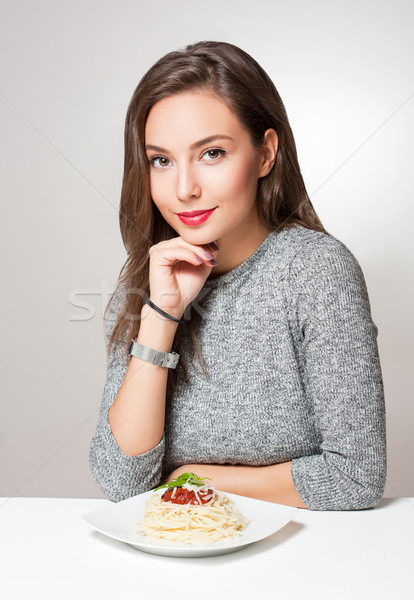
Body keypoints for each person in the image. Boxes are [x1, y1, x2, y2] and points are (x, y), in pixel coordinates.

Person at [89, 41, 386, 510]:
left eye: (211, 153)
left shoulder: (314, 270)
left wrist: (189, 478)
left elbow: (354, 476)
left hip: (302, 563)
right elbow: (122, 483)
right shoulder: (149, 279)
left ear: (266, 154)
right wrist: (163, 314)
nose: (185, 189)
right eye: (161, 160)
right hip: (178, 568)